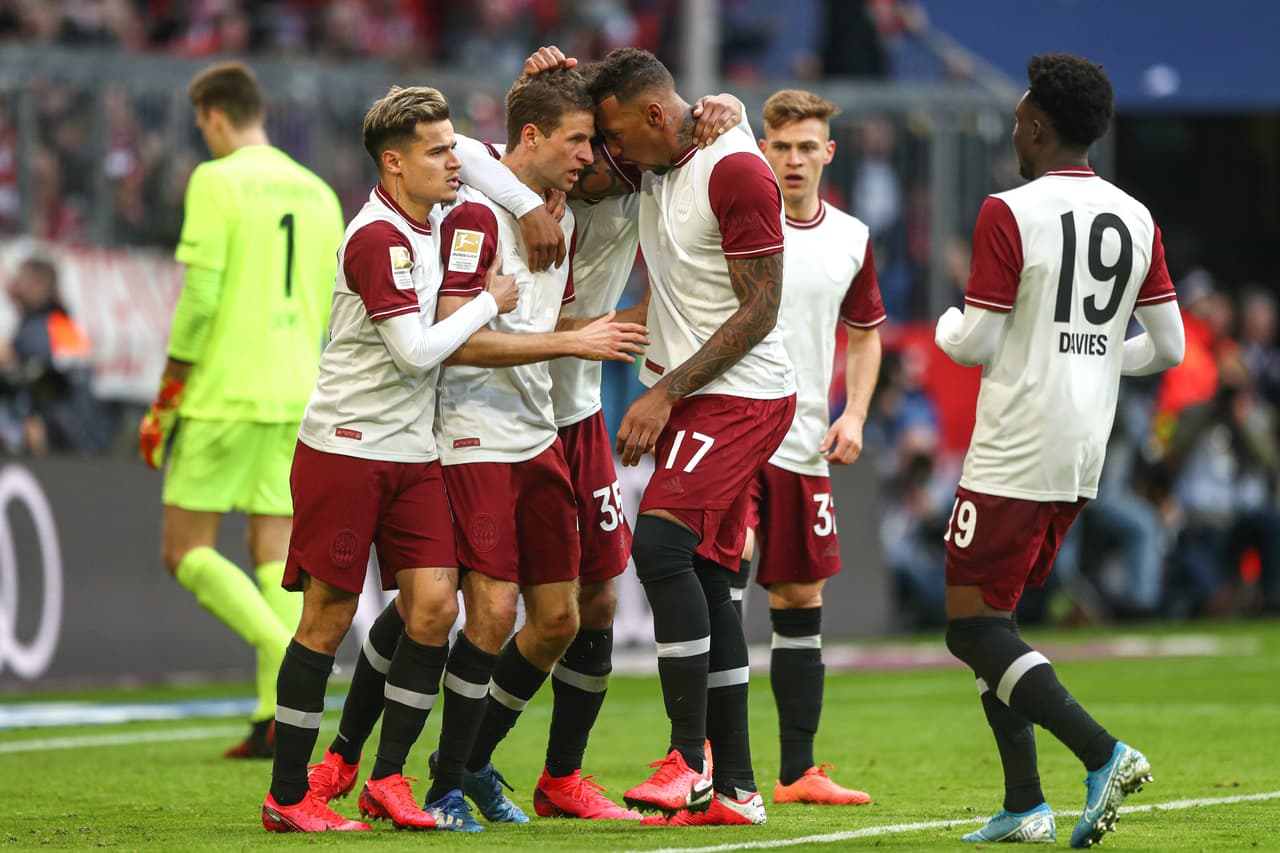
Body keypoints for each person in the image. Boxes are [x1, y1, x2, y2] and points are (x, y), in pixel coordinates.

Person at [933, 53, 1183, 847]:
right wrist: (1098, 355)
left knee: (969, 627)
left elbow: (976, 338)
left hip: (1016, 438)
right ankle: (1023, 804)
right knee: (995, 617)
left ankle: (1103, 752)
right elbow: (1168, 347)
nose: (1014, 129)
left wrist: (943, 327)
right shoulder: (1137, 216)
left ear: (1037, 126)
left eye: (1016, 119)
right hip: (1083, 444)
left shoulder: (1009, 210)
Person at [261, 84, 520, 834]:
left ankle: (388, 779)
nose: (456, 161)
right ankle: (287, 794)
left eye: (453, 146)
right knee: (327, 618)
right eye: (438, 151)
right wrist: (489, 302)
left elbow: (474, 154)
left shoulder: (433, 217)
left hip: (414, 455)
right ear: (393, 163)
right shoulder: (376, 237)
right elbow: (414, 353)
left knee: (434, 607)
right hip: (346, 451)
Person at [587, 48, 796, 827]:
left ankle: (688, 760)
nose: (608, 154)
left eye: (614, 134)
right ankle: (737, 788)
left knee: (661, 551)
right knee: (707, 582)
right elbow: (567, 158)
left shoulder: (734, 170)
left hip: (740, 396)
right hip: (701, 394)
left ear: (650, 116)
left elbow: (761, 309)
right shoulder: (660, 163)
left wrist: (663, 393)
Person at [137, 61, 344, 759]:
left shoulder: (216, 180)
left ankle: (284, 651)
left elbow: (199, 302)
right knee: (275, 553)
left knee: (184, 548)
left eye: (203, 126)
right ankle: (274, 715)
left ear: (214, 117)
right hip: (297, 394)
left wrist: (166, 397)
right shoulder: (320, 194)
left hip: (225, 392)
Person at [736, 88, 884, 807]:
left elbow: (864, 331)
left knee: (800, 594)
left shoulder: (851, 237)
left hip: (803, 442)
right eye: (780, 145)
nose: (793, 159)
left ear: (829, 152)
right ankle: (699, 757)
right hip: (732, 432)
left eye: (806, 147)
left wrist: (854, 412)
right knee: (721, 576)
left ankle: (798, 771)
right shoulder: (736, 223)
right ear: (763, 148)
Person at [1, 256, 105, 454]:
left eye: (21, 279)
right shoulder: (59, 323)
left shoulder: (43, 327)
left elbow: (47, 377)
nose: (13, 285)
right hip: (79, 439)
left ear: (38, 286)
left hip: (63, 441)